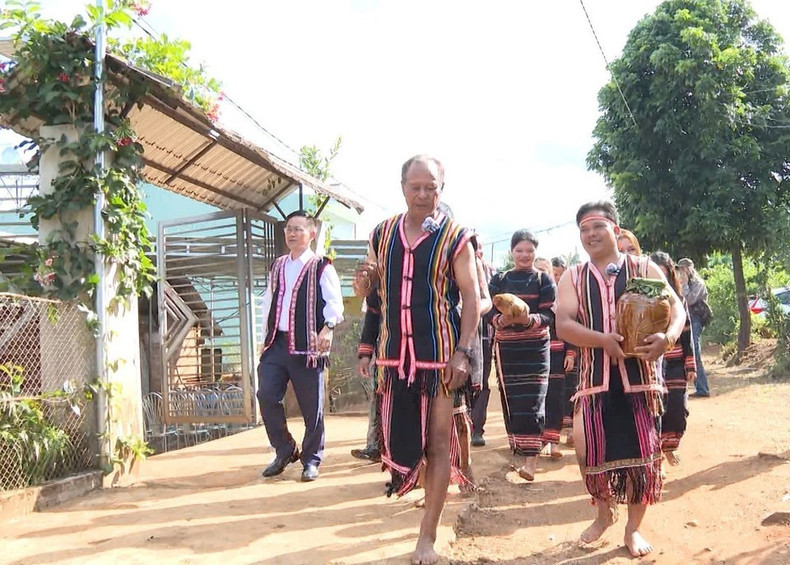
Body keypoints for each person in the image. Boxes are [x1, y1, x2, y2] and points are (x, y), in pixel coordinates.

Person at [356, 155, 480, 565]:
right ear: (402, 187)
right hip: (394, 360)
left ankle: (427, 535)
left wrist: (464, 352)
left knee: (440, 444)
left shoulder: (455, 236)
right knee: (405, 446)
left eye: (432, 187)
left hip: (440, 358)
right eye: (416, 187)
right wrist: (367, 340)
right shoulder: (382, 233)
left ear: (442, 189)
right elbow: (373, 296)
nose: (424, 194)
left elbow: (472, 299)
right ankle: (429, 503)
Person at [556, 201, 686, 558]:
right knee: (588, 452)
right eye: (584, 230)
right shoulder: (573, 276)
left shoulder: (644, 268)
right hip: (594, 380)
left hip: (641, 380)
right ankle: (603, 512)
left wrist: (668, 339)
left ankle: (633, 528)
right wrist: (601, 340)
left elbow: (676, 307)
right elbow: (564, 323)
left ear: (615, 229)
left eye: (597, 227)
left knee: (642, 457)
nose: (590, 235)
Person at [257, 210, 344, 482]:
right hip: (277, 343)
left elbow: (335, 304)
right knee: (266, 395)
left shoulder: (322, 266)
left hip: (308, 347)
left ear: (312, 232)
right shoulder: (278, 265)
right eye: (289, 229)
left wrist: (328, 328)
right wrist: (264, 336)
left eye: (298, 229)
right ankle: (284, 449)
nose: (292, 234)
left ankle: (312, 459)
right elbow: (268, 304)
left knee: (312, 408)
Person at [488, 230, 555, 481]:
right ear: (511, 252)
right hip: (507, 350)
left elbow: (550, 315)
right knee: (513, 401)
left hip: (536, 349)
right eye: (519, 250)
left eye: (529, 251)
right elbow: (487, 310)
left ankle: (531, 462)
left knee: (534, 401)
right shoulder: (499, 280)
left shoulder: (544, 280)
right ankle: (519, 448)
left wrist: (530, 320)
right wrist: (498, 320)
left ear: (535, 252)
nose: (524, 255)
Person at [651, 252, 696, 469]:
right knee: (656, 410)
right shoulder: (643, 301)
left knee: (678, 410)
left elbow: (687, 335)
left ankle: (669, 446)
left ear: (670, 273)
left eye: (664, 271)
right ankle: (657, 457)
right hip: (651, 363)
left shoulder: (680, 300)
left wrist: (691, 364)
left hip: (676, 362)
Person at [351, 284, 382, 462]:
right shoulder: (376, 289)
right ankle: (374, 446)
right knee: (377, 398)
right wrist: (365, 355)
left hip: (423, 357)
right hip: (385, 357)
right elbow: (372, 320)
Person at [470, 236, 494, 447]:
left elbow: (492, 301)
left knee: (480, 382)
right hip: (455, 333)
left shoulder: (489, 271)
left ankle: (477, 429)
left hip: (484, 336)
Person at [551, 256, 578, 446]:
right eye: (554, 274)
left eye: (560, 274)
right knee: (554, 393)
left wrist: (571, 352)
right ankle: (553, 437)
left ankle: (571, 432)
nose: (557, 278)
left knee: (571, 388)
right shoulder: (546, 296)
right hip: (550, 354)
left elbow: (575, 325)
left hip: (569, 350)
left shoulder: (571, 295)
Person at [677, 258, 710, 397]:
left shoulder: (698, 284)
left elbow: (689, 299)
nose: (682, 271)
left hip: (696, 319)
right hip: (685, 320)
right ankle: (699, 387)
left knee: (695, 352)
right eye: (680, 268)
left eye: (684, 268)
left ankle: (702, 389)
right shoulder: (680, 282)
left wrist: (684, 284)